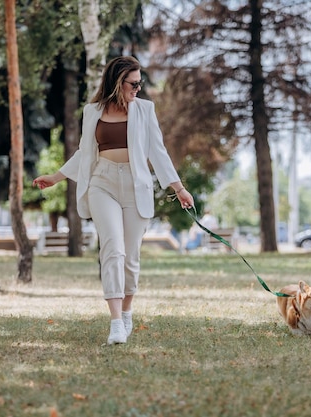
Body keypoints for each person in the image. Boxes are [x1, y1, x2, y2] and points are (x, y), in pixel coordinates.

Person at [33, 56, 194, 345]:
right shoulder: (93, 111)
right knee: (113, 249)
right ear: (117, 81)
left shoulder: (144, 110)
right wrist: (56, 177)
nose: (138, 89)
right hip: (102, 182)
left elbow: (158, 152)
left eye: (140, 83)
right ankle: (116, 322)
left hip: (136, 185)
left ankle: (128, 311)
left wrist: (179, 188)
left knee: (130, 257)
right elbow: (85, 153)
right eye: (133, 83)